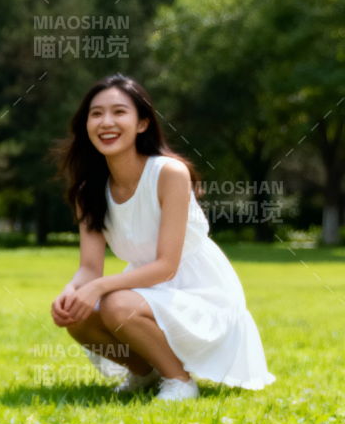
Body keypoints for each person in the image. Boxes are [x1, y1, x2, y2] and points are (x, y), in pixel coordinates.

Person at [50, 75, 274, 400]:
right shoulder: (89, 191)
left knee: (113, 304)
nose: (106, 122)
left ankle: (180, 382)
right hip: (144, 289)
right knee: (79, 317)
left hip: (199, 290)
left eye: (118, 112)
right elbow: (89, 268)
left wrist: (97, 288)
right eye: (96, 114)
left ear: (142, 124)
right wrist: (71, 293)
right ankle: (145, 372)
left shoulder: (169, 173)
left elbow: (167, 266)